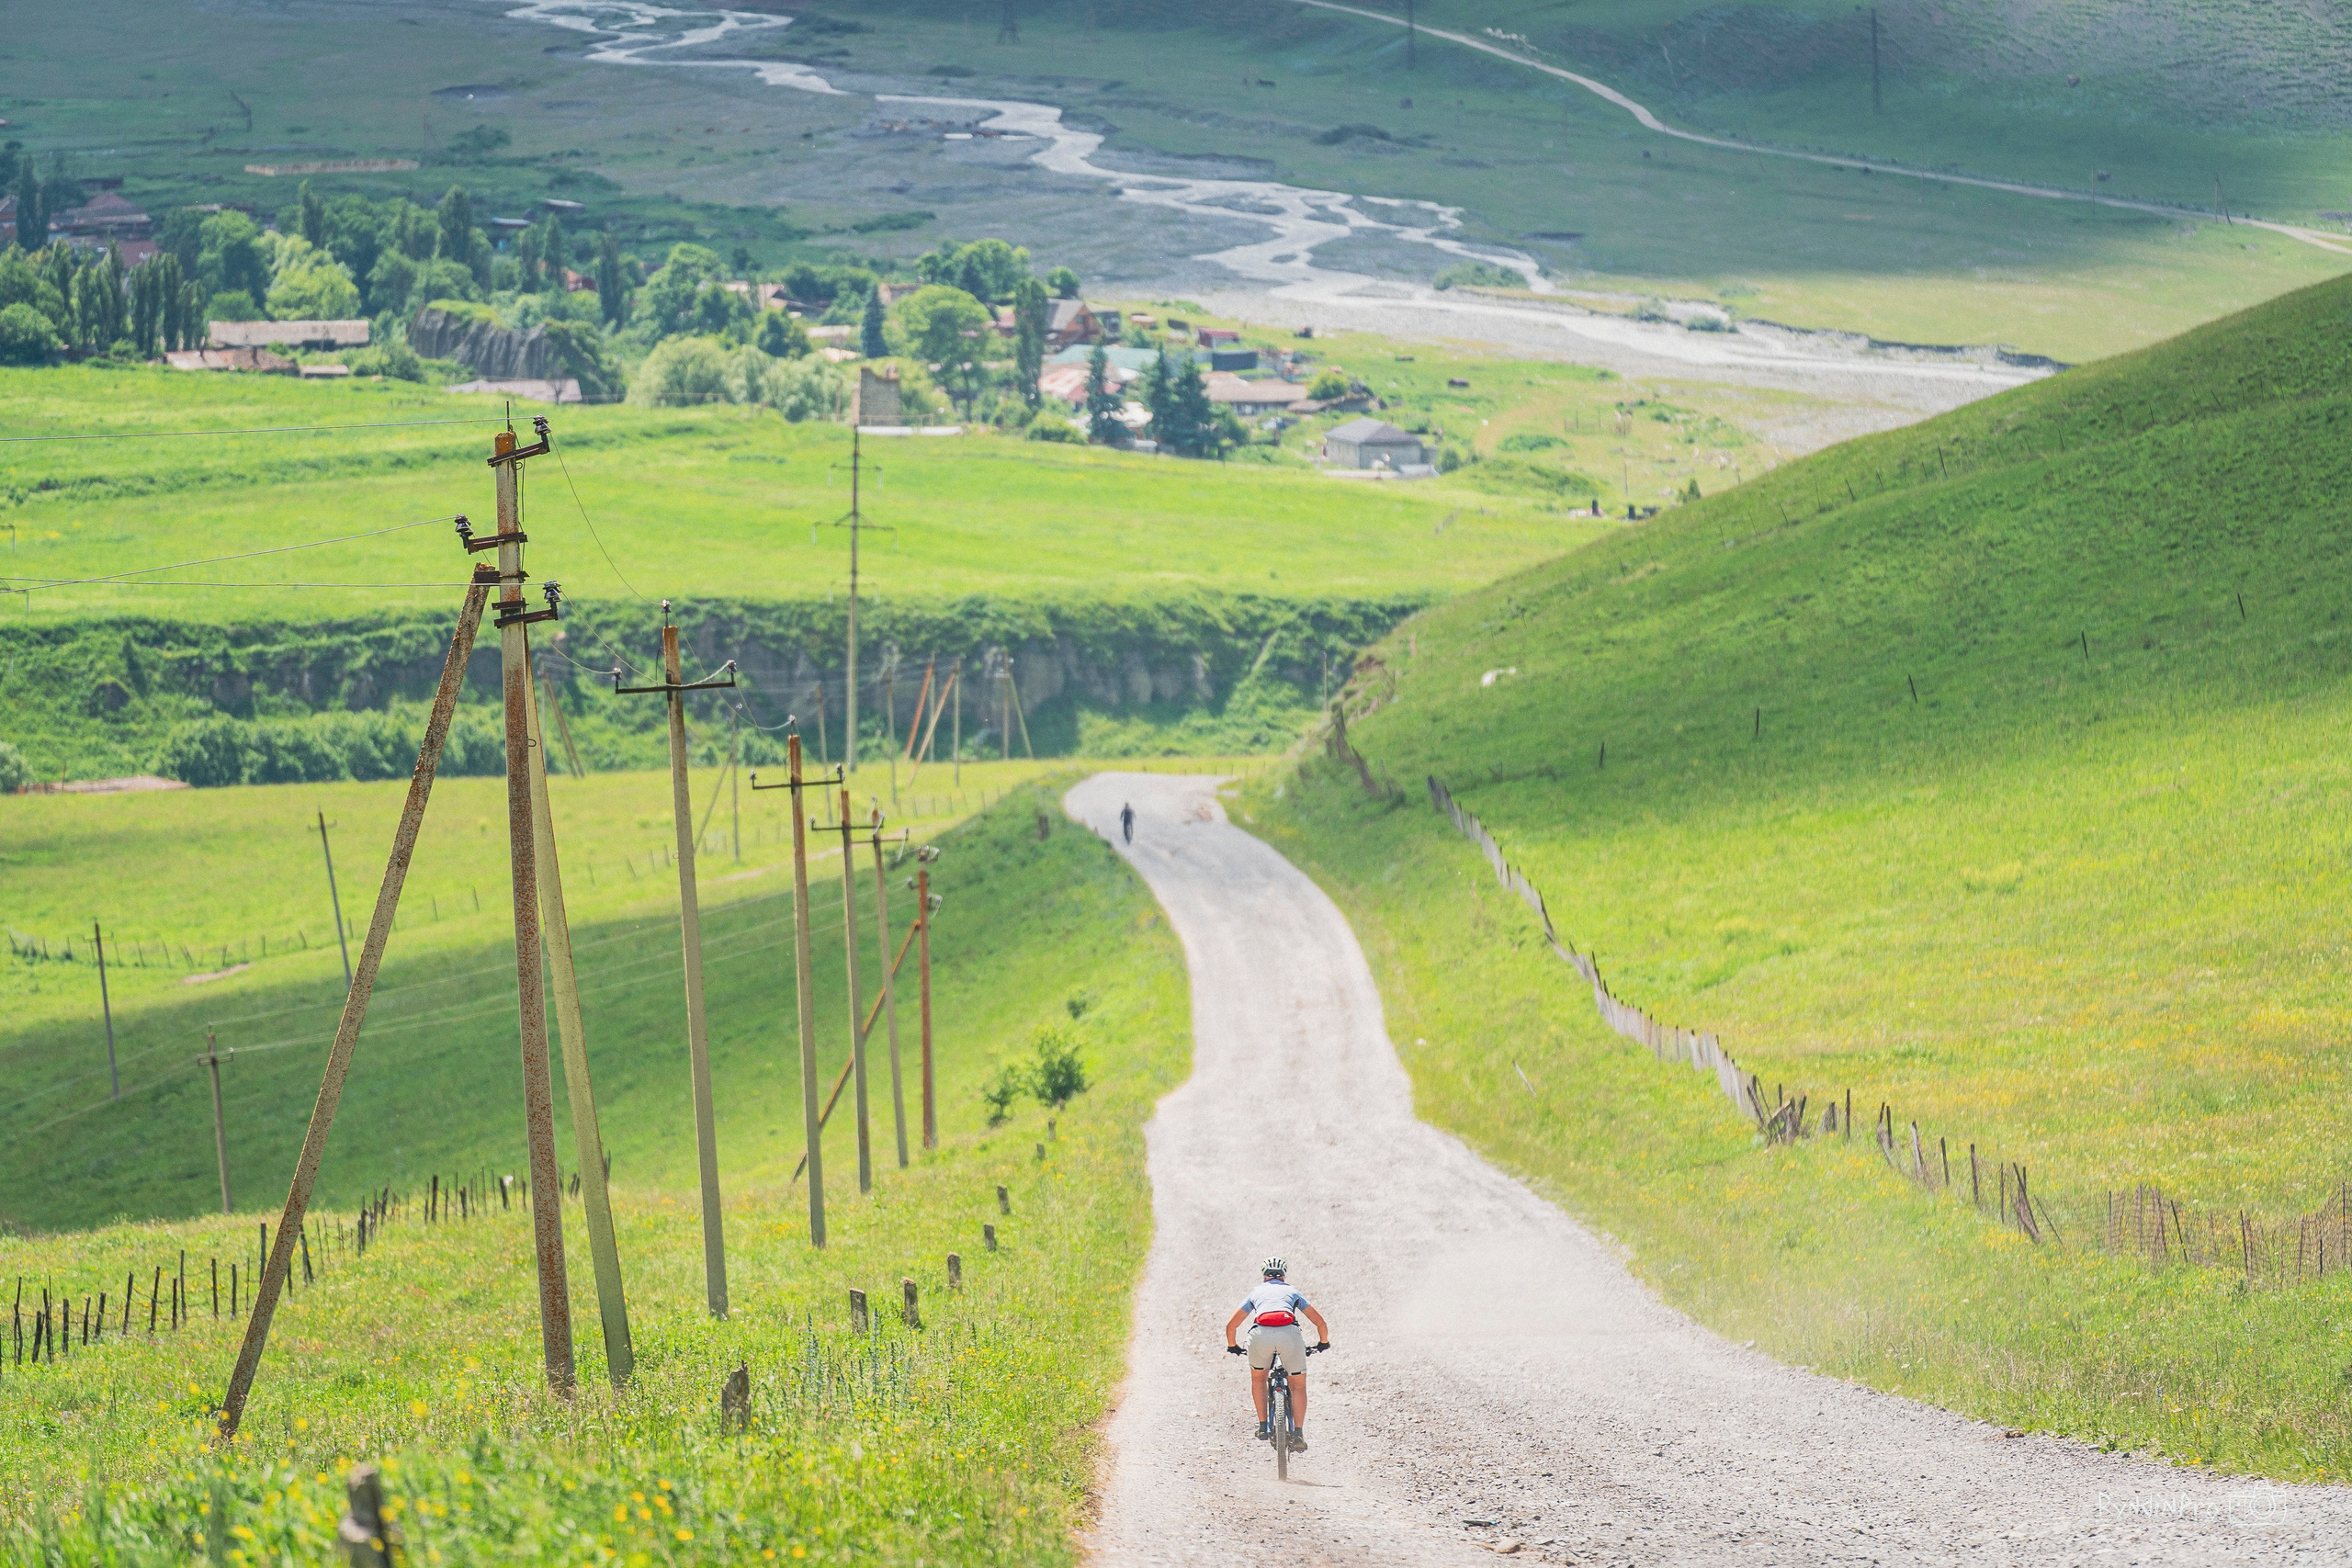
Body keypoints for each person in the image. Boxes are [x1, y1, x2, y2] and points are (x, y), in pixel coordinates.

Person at [1224, 1257, 1330, 1450]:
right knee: (1297, 1385)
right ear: (1283, 1276)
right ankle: (1298, 1433)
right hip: (1289, 1335)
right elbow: (1320, 1322)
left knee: (1258, 1379)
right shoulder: (1292, 1291)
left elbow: (1232, 1325)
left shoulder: (1256, 1292)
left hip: (1260, 1336)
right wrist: (1323, 1342)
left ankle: (1263, 1426)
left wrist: (1233, 1345)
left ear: (1265, 1276)